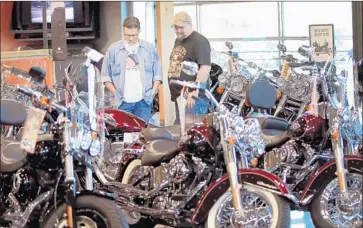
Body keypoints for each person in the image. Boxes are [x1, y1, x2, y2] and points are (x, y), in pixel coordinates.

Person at [101, 16, 162, 122]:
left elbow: (157, 74)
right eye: (127, 35)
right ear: (123, 31)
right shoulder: (112, 50)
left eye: (133, 35)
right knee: (123, 135)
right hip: (122, 103)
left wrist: (153, 91)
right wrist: (115, 93)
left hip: (144, 102)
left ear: (139, 31)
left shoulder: (149, 49)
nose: (130, 38)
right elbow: (105, 77)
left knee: (143, 134)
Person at [168, 11, 211, 123]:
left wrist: (194, 91)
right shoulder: (179, 40)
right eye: (176, 28)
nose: (178, 31)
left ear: (189, 24)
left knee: (190, 133)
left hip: (193, 98)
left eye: (181, 27)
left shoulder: (200, 41)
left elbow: (205, 67)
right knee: (182, 132)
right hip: (180, 96)